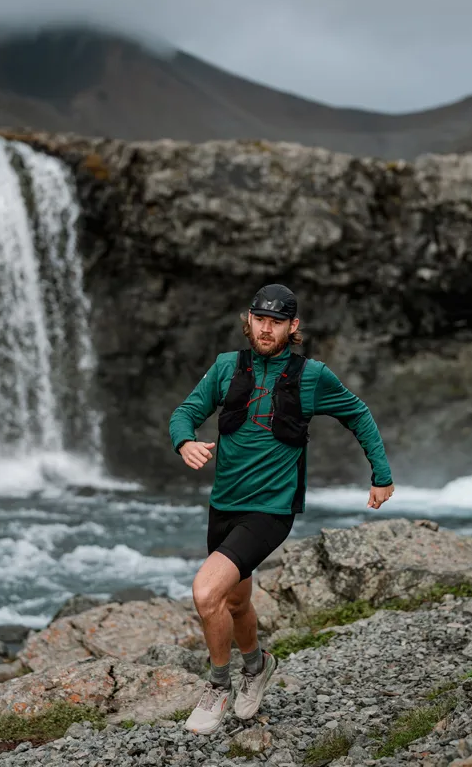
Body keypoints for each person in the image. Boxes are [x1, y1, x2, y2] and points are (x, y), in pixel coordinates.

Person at [168, 283, 394, 734]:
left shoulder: (313, 375)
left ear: (293, 327)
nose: (266, 328)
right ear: (248, 321)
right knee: (235, 601)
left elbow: (358, 414)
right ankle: (258, 665)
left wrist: (381, 475)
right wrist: (185, 441)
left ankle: (217, 686)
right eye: (259, 319)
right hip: (225, 505)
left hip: (271, 509)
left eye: (276, 322)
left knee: (205, 592)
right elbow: (185, 411)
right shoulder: (226, 367)